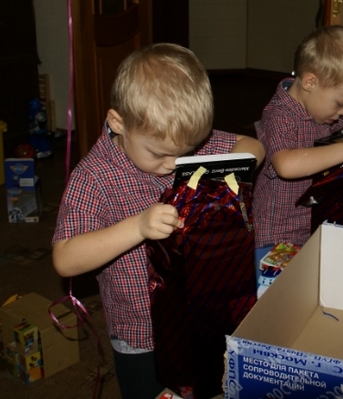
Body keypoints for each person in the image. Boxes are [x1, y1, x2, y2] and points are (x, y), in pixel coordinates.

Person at [51, 43, 264, 399]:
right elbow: (65, 258)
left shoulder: (179, 142)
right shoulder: (93, 177)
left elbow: (253, 146)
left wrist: (219, 172)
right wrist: (137, 227)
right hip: (141, 337)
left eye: (185, 153)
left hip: (201, 316)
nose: (173, 165)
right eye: (159, 154)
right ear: (118, 123)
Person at [252, 25, 343, 267]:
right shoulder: (279, 116)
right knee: (280, 287)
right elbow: (286, 164)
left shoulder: (321, 108)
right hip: (277, 233)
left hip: (312, 222)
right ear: (310, 82)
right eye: (340, 103)